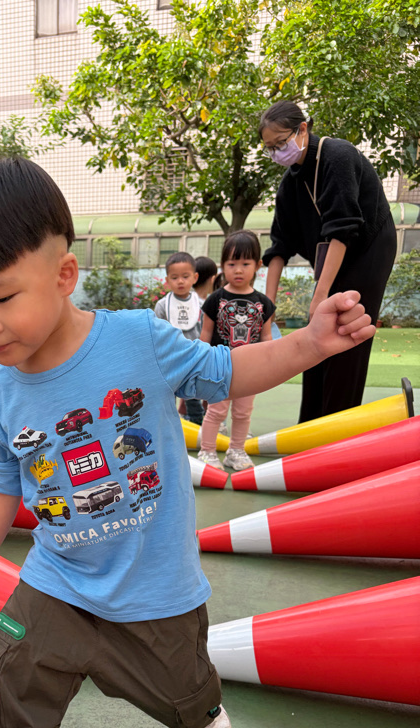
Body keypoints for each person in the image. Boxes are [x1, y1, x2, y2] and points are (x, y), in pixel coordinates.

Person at [0, 156, 374, 728]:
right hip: (57, 578)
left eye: (2, 298)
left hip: (154, 584)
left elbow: (226, 370)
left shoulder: (137, 339)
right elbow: (2, 483)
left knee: (179, 691)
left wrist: (311, 345)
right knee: (8, 680)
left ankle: (200, 709)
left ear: (63, 275)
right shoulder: (0, 393)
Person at [259, 100, 397, 422]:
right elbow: (279, 247)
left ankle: (337, 427)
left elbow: (343, 229)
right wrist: (267, 306)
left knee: (346, 332)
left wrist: (320, 295)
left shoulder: (337, 155)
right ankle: (310, 424)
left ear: (302, 129)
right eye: (270, 148)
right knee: (316, 337)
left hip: (368, 247)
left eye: (281, 143)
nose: (277, 152)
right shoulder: (290, 183)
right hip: (332, 256)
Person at [198, 231, 275, 472]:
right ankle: (207, 451)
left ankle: (236, 451)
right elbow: (205, 334)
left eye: (245, 264)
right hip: (220, 367)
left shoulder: (264, 303)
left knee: (243, 413)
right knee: (216, 411)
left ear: (258, 265)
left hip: (249, 369)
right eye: (232, 264)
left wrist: (268, 365)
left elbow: (266, 338)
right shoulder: (215, 299)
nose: (238, 270)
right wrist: (201, 362)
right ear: (223, 266)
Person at [154, 251, 204, 424]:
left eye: (185, 276)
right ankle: (168, 425)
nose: (180, 281)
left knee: (193, 394)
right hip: (170, 359)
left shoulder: (201, 305)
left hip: (194, 358)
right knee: (168, 394)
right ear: (167, 280)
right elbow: (157, 333)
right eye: (174, 277)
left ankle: (197, 424)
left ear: (195, 277)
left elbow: (205, 331)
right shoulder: (162, 305)